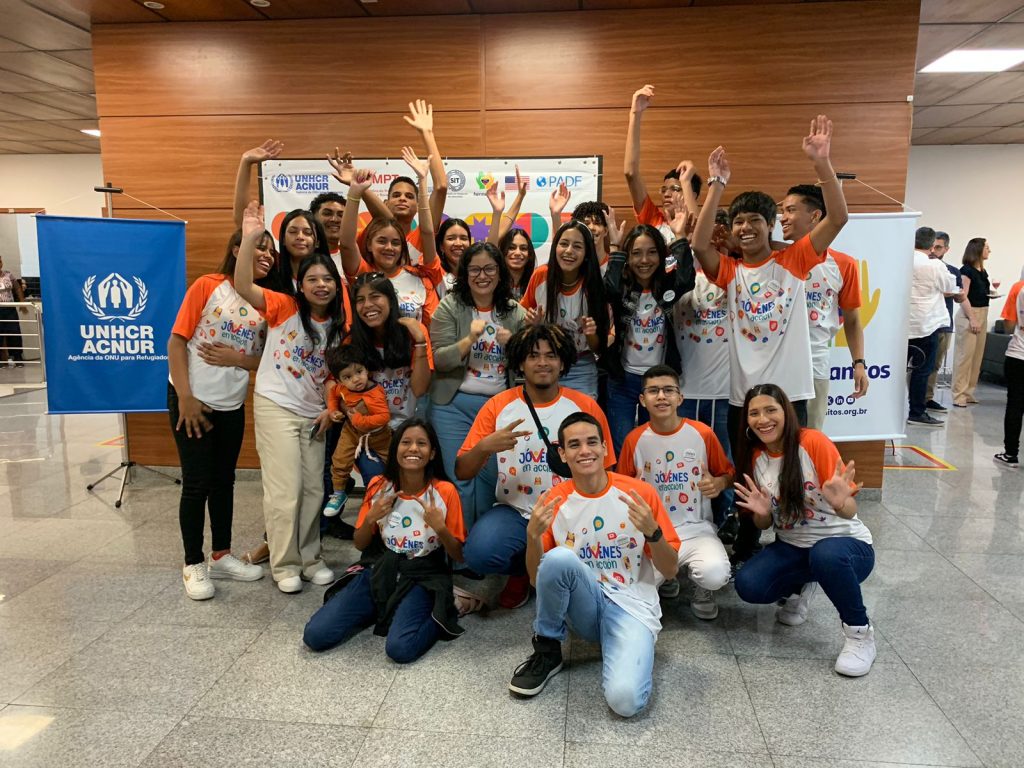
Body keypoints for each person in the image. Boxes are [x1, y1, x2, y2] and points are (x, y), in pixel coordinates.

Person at [689, 116, 849, 564]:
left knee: (794, 469)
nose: (745, 228)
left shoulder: (794, 260)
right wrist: (717, 185)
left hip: (790, 392)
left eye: (755, 220)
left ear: (770, 225)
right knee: (747, 473)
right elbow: (700, 245)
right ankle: (745, 542)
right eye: (738, 222)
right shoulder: (730, 270)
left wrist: (822, 163)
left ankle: (795, 541)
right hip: (743, 395)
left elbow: (838, 217)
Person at [508, 412, 680, 717]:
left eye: (591, 442)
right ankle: (547, 649)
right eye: (574, 445)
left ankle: (624, 646)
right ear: (563, 454)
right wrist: (532, 537)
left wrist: (652, 533)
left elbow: (670, 571)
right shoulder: (553, 500)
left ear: (604, 448)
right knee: (559, 558)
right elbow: (538, 579)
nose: (584, 451)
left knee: (625, 703)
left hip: (631, 605)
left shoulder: (639, 494)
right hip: (583, 606)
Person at [456, 324, 614, 609]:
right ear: (520, 363)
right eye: (533, 355)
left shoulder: (584, 406)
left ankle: (560, 572)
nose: (542, 362)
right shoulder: (497, 406)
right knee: (479, 553)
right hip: (516, 511)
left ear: (563, 362)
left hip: (572, 509)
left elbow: (609, 469)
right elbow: (462, 471)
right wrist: (484, 447)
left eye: (551, 355)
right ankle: (521, 571)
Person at [234, 201, 348, 594]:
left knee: (314, 490)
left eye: (327, 279)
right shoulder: (284, 306)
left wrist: (330, 410)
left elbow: (333, 377)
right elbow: (243, 286)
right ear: (301, 285)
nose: (321, 285)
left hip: (314, 414)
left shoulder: (338, 325)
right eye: (312, 279)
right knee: (285, 492)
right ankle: (284, 564)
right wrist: (251, 237)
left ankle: (311, 557)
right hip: (276, 406)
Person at [731, 384, 876, 677]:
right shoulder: (755, 457)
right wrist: (761, 514)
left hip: (845, 546)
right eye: (754, 413)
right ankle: (803, 585)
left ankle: (860, 635)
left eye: (770, 410)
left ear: (786, 412)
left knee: (826, 555)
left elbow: (850, 511)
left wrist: (840, 501)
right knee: (749, 584)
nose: (763, 419)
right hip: (793, 546)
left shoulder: (813, 442)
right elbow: (765, 525)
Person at [303, 419, 466, 663]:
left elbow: (457, 555)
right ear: (395, 450)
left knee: (400, 649)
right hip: (380, 569)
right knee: (315, 635)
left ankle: (445, 609)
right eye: (406, 442)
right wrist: (371, 517)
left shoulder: (445, 491)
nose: (413, 448)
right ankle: (381, 605)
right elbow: (360, 544)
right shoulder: (379, 486)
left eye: (421, 443)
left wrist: (440, 527)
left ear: (432, 453)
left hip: (422, 575)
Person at [167, 229, 272, 599]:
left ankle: (221, 556)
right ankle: (193, 563)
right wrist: (185, 397)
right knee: (197, 483)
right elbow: (176, 341)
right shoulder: (208, 285)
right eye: (259, 247)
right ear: (236, 250)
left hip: (232, 403)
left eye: (270, 251)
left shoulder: (266, 301)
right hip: (193, 401)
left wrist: (238, 358)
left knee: (224, 481)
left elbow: (269, 360)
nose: (267, 255)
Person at [617, 365, 734, 619]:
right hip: (654, 533)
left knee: (715, 574)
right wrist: (631, 491)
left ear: (680, 398)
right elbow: (620, 489)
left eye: (668, 390)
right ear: (642, 400)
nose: (661, 396)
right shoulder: (634, 439)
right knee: (633, 590)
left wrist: (719, 483)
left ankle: (702, 587)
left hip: (697, 528)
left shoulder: (702, 433)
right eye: (653, 391)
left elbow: (728, 474)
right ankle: (667, 576)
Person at [429, 242, 527, 526]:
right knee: (460, 478)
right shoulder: (450, 306)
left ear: (500, 272)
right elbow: (440, 360)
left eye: (489, 269)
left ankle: (481, 541)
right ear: (465, 273)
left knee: (491, 477)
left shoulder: (515, 312)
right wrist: (469, 339)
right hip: (453, 406)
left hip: (497, 408)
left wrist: (515, 344)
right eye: (474, 269)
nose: (482, 276)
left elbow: (528, 361)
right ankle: (461, 545)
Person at [780, 184, 868, 429]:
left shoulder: (843, 264)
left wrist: (859, 363)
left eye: (790, 210)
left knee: (809, 438)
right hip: (773, 366)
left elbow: (852, 320)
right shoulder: (772, 257)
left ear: (815, 216)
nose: (783, 218)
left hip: (814, 366)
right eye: (782, 211)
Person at [603, 223, 695, 454]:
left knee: (654, 445)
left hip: (658, 380)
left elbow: (687, 280)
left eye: (652, 252)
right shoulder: (623, 288)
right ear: (628, 257)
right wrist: (615, 247)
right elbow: (609, 288)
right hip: (622, 379)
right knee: (622, 446)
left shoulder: (667, 285)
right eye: (636, 253)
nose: (644, 260)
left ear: (662, 255)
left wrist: (680, 237)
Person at [329, 100, 448, 265]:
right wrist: (357, 187)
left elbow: (441, 187)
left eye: (409, 196)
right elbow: (385, 218)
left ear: (418, 206)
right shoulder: (371, 238)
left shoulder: (423, 236)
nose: (402, 199)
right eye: (396, 195)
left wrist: (427, 133)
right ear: (386, 203)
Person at [339, 149, 441, 328]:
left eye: (395, 243)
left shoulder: (420, 280)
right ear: (368, 245)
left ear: (403, 247)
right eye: (381, 241)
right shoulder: (364, 274)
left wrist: (423, 179)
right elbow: (347, 244)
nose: (389, 247)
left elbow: (432, 330)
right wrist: (355, 192)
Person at [521, 220, 611, 400]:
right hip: (544, 362)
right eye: (563, 244)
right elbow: (522, 327)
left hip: (581, 365)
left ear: (587, 253)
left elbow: (598, 347)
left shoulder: (595, 284)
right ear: (555, 247)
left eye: (577, 246)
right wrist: (531, 325)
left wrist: (590, 334)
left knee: (581, 415)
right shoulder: (540, 276)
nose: (569, 251)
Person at [347, 272, 433, 435]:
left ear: (391, 300)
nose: (367, 305)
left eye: (375, 297)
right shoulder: (351, 340)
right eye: (360, 300)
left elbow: (420, 389)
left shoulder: (413, 332)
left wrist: (420, 342)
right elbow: (342, 390)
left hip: (407, 426)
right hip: (370, 427)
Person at [623, 84, 701, 245]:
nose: (666, 194)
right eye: (664, 189)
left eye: (675, 189)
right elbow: (631, 173)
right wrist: (635, 114)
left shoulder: (701, 224)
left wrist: (686, 181)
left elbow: (696, 228)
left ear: (693, 195)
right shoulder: (654, 220)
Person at [322, 345, 393, 517]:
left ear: (366, 369)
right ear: (339, 380)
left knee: (393, 464)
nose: (355, 379)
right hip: (351, 432)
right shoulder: (341, 388)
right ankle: (338, 493)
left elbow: (384, 417)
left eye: (359, 372)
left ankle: (394, 494)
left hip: (379, 436)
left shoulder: (375, 393)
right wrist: (333, 410)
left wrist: (359, 420)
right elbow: (333, 394)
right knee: (339, 460)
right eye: (347, 377)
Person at [907, 227, 959, 426]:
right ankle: (916, 412)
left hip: (902, 325)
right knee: (922, 371)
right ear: (931, 245)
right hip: (927, 325)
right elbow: (949, 287)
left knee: (895, 370)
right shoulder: (935, 265)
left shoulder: (902, 261)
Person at [924, 231, 963, 412]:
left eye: (938, 247)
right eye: (932, 246)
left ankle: (927, 398)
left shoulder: (953, 271)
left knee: (936, 363)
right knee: (919, 363)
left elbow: (960, 295)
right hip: (923, 322)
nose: (933, 250)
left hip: (944, 323)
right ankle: (914, 398)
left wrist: (956, 293)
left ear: (946, 249)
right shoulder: (921, 267)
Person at [952, 238, 993, 407]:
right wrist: (973, 318)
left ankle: (969, 391)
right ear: (977, 249)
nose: (989, 251)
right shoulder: (967, 271)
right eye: (987, 247)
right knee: (965, 357)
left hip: (983, 311)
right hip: (970, 314)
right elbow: (963, 296)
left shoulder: (982, 271)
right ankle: (958, 394)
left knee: (976, 356)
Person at [995, 278, 1024, 468]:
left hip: (1019, 354)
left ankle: (1011, 453)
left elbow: (1009, 324)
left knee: (1015, 404)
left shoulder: (1019, 287)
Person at [310, 191, 348, 273]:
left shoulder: (352, 257)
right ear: (313, 218)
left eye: (341, 215)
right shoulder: (302, 256)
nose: (334, 219)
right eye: (327, 214)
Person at [0, 254, 26, 367]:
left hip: (10, 309)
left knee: (14, 332)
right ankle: (2, 361)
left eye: (0, 261)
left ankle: (17, 357)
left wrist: (22, 302)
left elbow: (17, 288)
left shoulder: (8, 274)